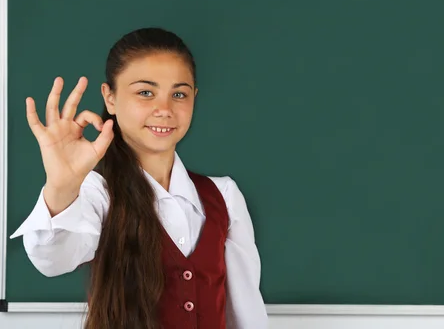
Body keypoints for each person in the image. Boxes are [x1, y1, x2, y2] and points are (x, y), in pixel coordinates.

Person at [10, 28, 268, 329]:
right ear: (110, 98)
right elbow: (52, 259)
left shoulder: (223, 195)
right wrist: (62, 185)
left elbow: (247, 313)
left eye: (179, 94)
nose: (164, 109)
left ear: (194, 97)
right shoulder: (97, 192)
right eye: (145, 92)